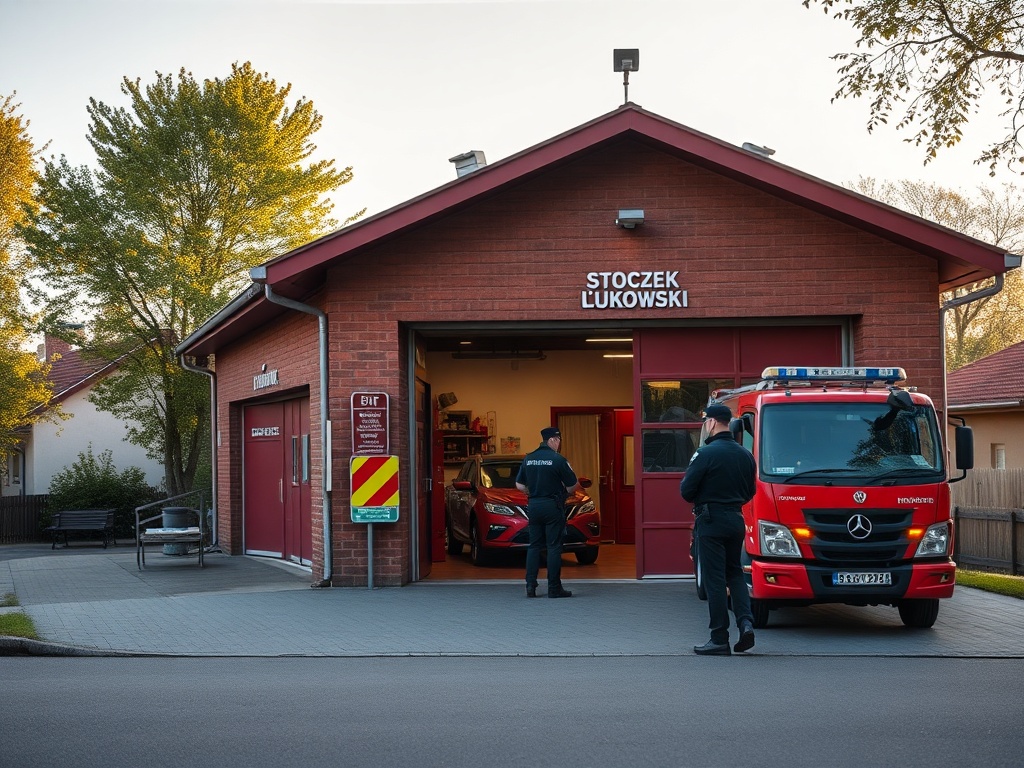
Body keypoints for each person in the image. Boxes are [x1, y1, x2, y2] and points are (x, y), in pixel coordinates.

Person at [680, 403, 757, 655]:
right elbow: (750, 491)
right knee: (735, 573)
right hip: (735, 519)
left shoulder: (705, 454)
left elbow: (686, 491)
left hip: (711, 520)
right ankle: (746, 623)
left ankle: (719, 638)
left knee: (714, 579)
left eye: (706, 421)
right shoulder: (745, 454)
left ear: (711, 422)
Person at [515, 426, 581, 599]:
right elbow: (572, 486)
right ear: (553, 440)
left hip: (534, 505)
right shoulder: (558, 459)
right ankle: (554, 588)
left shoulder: (528, 458)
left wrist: (531, 492)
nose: (559, 444)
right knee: (553, 547)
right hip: (552, 505)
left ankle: (530, 586)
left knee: (534, 546)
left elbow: (519, 485)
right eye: (558, 441)